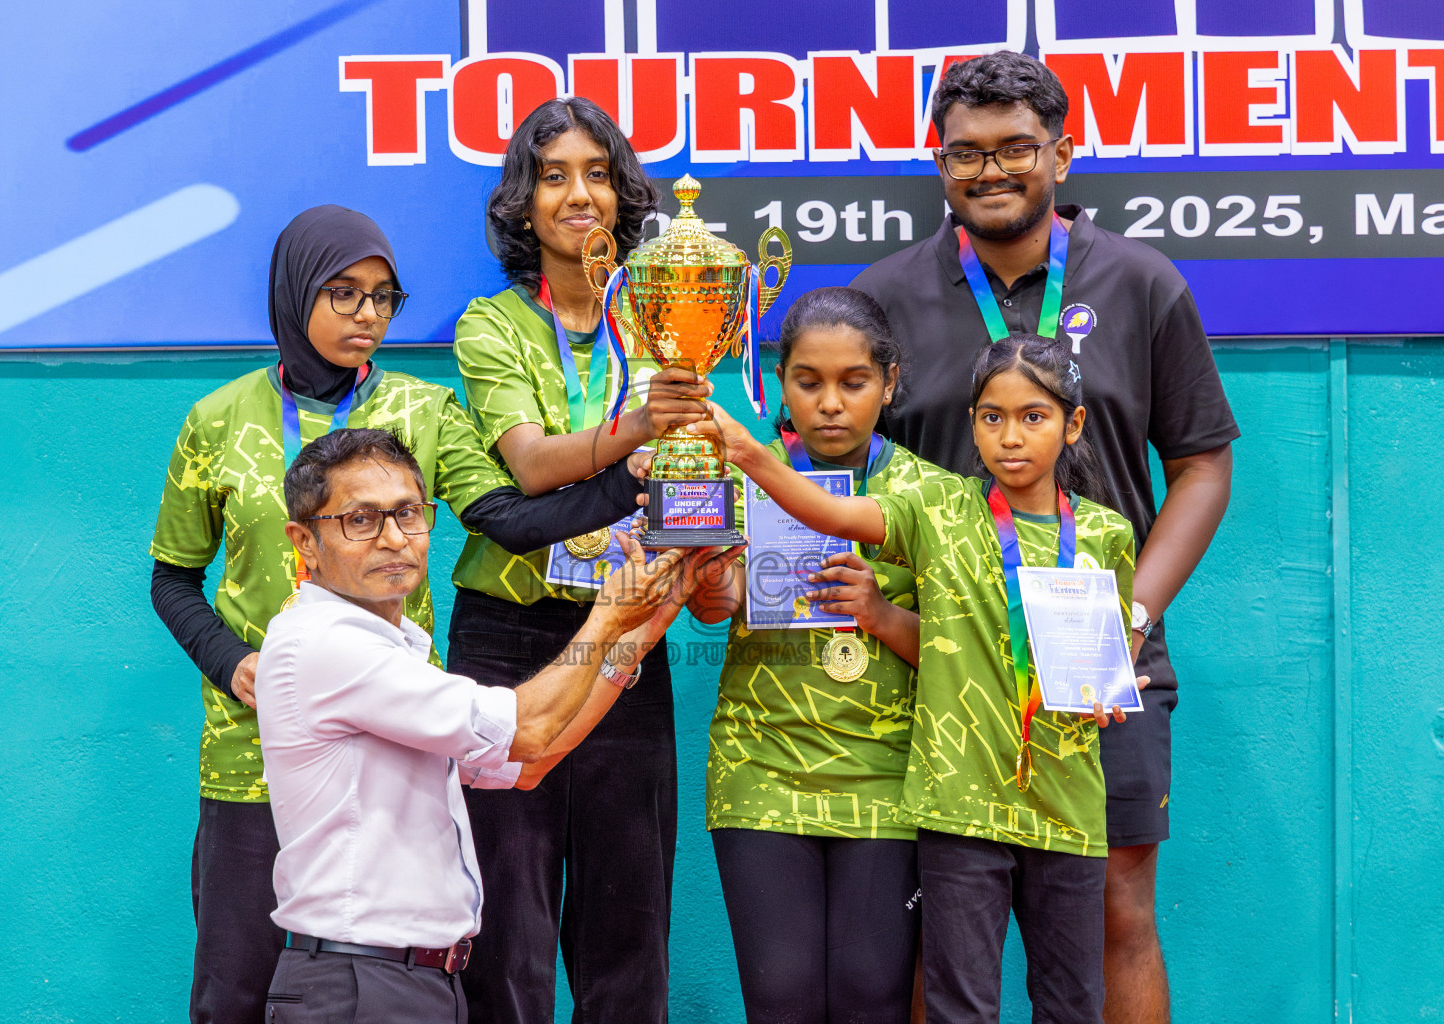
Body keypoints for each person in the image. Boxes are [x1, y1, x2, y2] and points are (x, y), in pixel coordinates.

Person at [149, 205, 655, 1024]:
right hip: (250, 757)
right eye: (344, 293)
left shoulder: (424, 409)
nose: (368, 315)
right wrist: (229, 659)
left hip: (394, 737)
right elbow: (173, 577)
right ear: (295, 293)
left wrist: (632, 480)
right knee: (235, 993)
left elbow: (508, 520)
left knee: (385, 962)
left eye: (384, 297)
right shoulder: (217, 420)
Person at [851, 51, 1237, 1022]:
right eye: (966, 153)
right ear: (939, 163)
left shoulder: (1143, 283)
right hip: (937, 659)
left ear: (1061, 154)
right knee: (940, 925)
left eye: (1015, 148)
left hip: (1104, 656)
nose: (990, 171)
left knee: (1117, 909)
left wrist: (1131, 615)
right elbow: (842, 468)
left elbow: (1202, 465)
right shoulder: (884, 299)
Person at [698, 330, 1147, 1024]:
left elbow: (1101, 661)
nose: (1011, 436)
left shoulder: (1106, 535)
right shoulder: (936, 509)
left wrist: (1111, 689)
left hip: (1065, 809)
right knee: (958, 1006)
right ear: (972, 423)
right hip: (957, 810)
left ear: (1073, 424)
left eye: (1033, 417)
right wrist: (752, 455)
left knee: (1074, 1004)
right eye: (993, 417)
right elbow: (831, 512)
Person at [255, 426, 701, 1022]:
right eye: (360, 520)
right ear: (304, 542)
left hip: (419, 982)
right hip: (361, 986)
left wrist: (646, 626)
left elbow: (529, 764)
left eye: (408, 514)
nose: (394, 538)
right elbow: (529, 729)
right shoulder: (325, 643)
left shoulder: (392, 649)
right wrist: (606, 618)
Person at [448, 97, 712, 1024]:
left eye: (598, 173)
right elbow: (529, 465)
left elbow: (701, 453)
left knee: (627, 928)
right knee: (506, 929)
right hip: (506, 639)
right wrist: (642, 424)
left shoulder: (664, 317)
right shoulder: (489, 324)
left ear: (623, 193)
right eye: (553, 175)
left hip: (629, 626)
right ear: (522, 203)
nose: (579, 195)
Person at [685, 288, 932, 1023]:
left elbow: (962, 653)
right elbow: (714, 603)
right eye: (808, 381)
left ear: (889, 382)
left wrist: (882, 615)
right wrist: (713, 588)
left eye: (853, 382)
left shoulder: (938, 497)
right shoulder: (737, 478)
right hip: (762, 766)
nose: (829, 403)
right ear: (780, 382)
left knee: (872, 996)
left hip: (891, 774)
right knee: (781, 996)